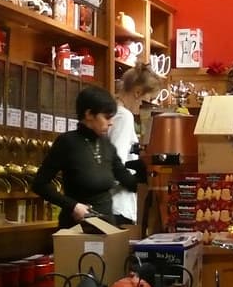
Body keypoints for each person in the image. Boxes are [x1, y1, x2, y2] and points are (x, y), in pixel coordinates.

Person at [32, 85, 146, 229]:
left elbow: (130, 182)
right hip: (76, 231)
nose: (111, 123)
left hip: (107, 230)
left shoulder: (106, 145)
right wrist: (73, 206)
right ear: (89, 115)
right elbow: (40, 184)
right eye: (106, 117)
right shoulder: (67, 142)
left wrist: (147, 168)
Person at [108, 64, 161, 225]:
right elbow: (117, 162)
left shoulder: (110, 112)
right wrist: (135, 181)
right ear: (138, 92)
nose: (148, 105)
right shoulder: (124, 116)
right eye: (149, 99)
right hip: (118, 204)